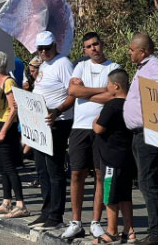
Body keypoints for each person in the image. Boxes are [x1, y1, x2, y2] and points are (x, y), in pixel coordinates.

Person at [62, 32, 120, 240]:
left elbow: (113, 95)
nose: (93, 48)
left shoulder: (113, 68)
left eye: (96, 44)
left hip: (103, 128)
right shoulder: (81, 66)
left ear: (102, 44)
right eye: (89, 46)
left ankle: (96, 221)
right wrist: (99, 90)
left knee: (99, 175)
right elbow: (72, 91)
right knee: (76, 173)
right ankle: (76, 221)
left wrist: (84, 91)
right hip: (79, 128)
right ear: (84, 50)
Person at [124, 32, 158, 244]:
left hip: (148, 133)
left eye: (131, 49)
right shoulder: (144, 68)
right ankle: (156, 232)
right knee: (146, 181)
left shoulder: (153, 66)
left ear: (142, 52)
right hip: (140, 134)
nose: (129, 52)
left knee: (148, 182)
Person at [29, 31, 74, 231]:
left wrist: (57, 111)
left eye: (47, 47)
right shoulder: (44, 65)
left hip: (57, 121)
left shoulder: (63, 63)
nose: (44, 52)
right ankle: (46, 210)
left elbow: (72, 93)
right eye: (41, 49)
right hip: (40, 123)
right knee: (42, 169)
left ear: (55, 45)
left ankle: (56, 214)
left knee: (54, 169)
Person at [93, 69, 135, 244]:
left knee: (109, 195)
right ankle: (129, 230)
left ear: (116, 85)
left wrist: (94, 121)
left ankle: (111, 231)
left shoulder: (111, 106)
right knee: (125, 195)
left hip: (111, 159)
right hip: (127, 157)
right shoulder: (133, 105)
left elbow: (99, 128)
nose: (106, 87)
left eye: (108, 84)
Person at [0, 51, 29, 219]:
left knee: (10, 166)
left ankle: (21, 203)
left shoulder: (9, 82)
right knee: (2, 166)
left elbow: (14, 108)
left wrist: (4, 130)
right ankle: (6, 201)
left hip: (5, 126)